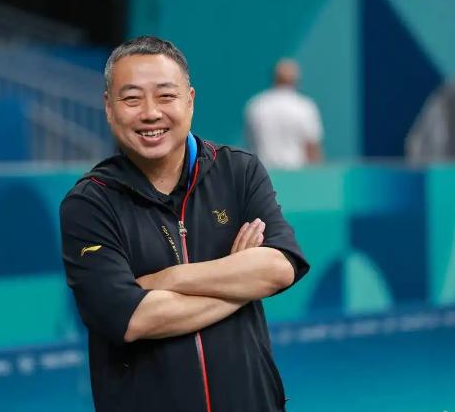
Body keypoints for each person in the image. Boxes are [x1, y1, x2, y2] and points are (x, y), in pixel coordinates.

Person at [60, 36, 309, 412]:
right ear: (109, 108)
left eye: (165, 96)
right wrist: (240, 280)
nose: (150, 113)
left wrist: (168, 279)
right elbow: (134, 318)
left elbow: (279, 268)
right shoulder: (89, 203)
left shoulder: (238, 172)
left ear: (189, 101)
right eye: (132, 99)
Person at [245, 58, 324, 168]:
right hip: (295, 173)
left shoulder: (256, 105)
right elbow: (312, 149)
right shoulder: (304, 107)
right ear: (296, 79)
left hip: (262, 172)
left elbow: (250, 143)